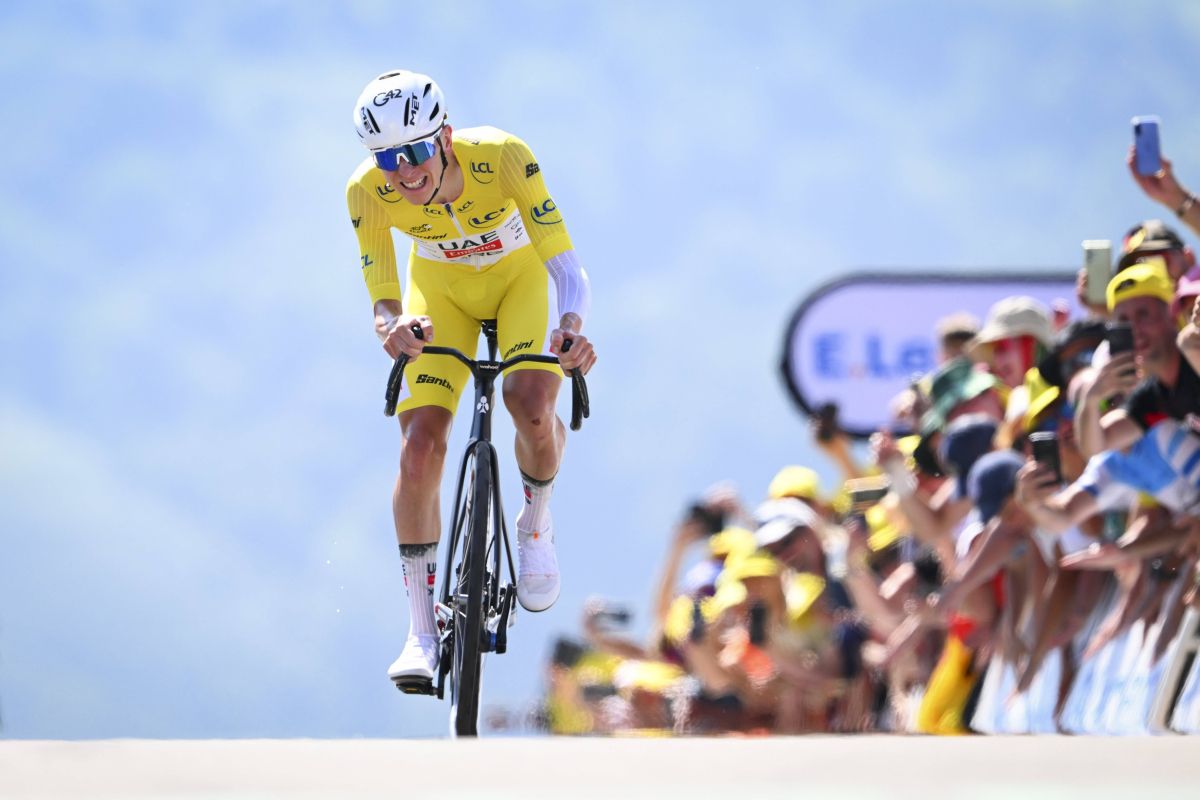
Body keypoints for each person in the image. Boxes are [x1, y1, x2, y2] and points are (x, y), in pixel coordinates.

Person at [345, 70, 597, 687]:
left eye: (415, 152)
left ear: (445, 137)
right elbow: (382, 296)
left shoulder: (502, 157)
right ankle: (420, 631)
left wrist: (570, 329)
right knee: (418, 449)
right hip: (441, 296)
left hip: (518, 281)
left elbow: (566, 268)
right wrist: (391, 327)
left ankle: (534, 522)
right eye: (387, 159)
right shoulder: (366, 192)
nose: (404, 172)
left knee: (530, 402)